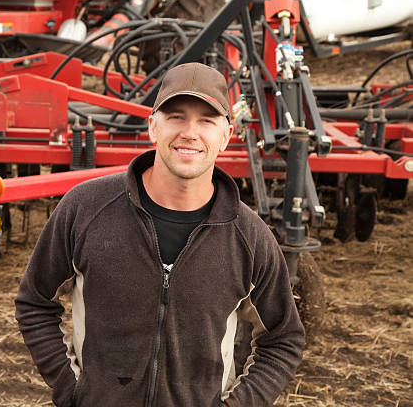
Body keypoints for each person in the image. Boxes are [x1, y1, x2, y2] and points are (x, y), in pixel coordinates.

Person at [15, 62, 305, 407]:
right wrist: (71, 390)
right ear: (153, 127)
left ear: (226, 137)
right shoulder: (86, 208)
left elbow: (284, 339)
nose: (190, 133)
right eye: (176, 117)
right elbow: (34, 301)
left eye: (207, 121)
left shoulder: (249, 237)